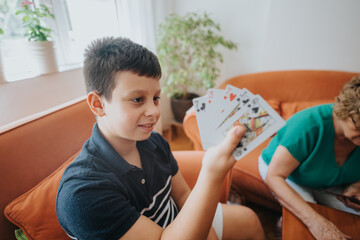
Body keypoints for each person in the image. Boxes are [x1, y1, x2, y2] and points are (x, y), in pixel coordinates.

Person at [56, 37, 265, 240]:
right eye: (137, 99)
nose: (154, 112)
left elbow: (183, 196)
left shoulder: (155, 143)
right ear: (98, 104)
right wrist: (212, 173)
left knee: (249, 219)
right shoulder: (82, 193)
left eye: (156, 98)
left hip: (177, 220)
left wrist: (205, 233)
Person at [258, 75, 360, 240]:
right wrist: (315, 221)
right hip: (286, 175)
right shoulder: (308, 125)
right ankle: (284, 223)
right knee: (307, 225)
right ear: (344, 111)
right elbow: (274, 176)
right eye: (359, 126)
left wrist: (356, 186)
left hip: (329, 180)